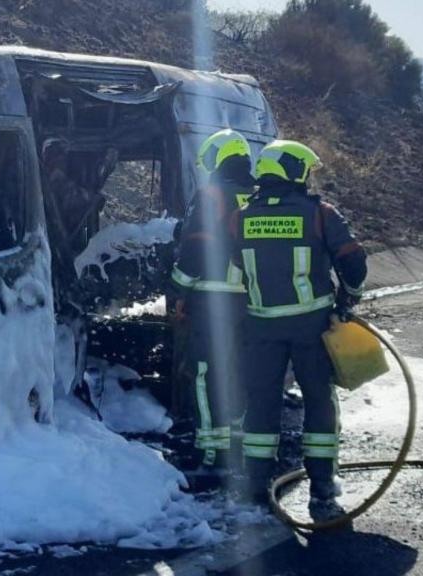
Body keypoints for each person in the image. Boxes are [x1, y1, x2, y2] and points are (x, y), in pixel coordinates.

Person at [232, 140, 367, 520]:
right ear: (293, 170)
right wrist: (348, 298)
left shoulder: (240, 217)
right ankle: (322, 492)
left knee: (261, 403)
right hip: (312, 327)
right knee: (318, 402)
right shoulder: (320, 213)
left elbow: (236, 261)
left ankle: (255, 489)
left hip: (261, 327)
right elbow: (353, 261)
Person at [171, 129, 255, 482]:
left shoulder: (211, 195)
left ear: (218, 158)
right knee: (241, 372)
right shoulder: (261, 195)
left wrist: (178, 291)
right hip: (254, 302)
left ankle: (213, 453)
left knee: (206, 374)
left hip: (212, 300)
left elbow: (194, 247)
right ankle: (241, 447)